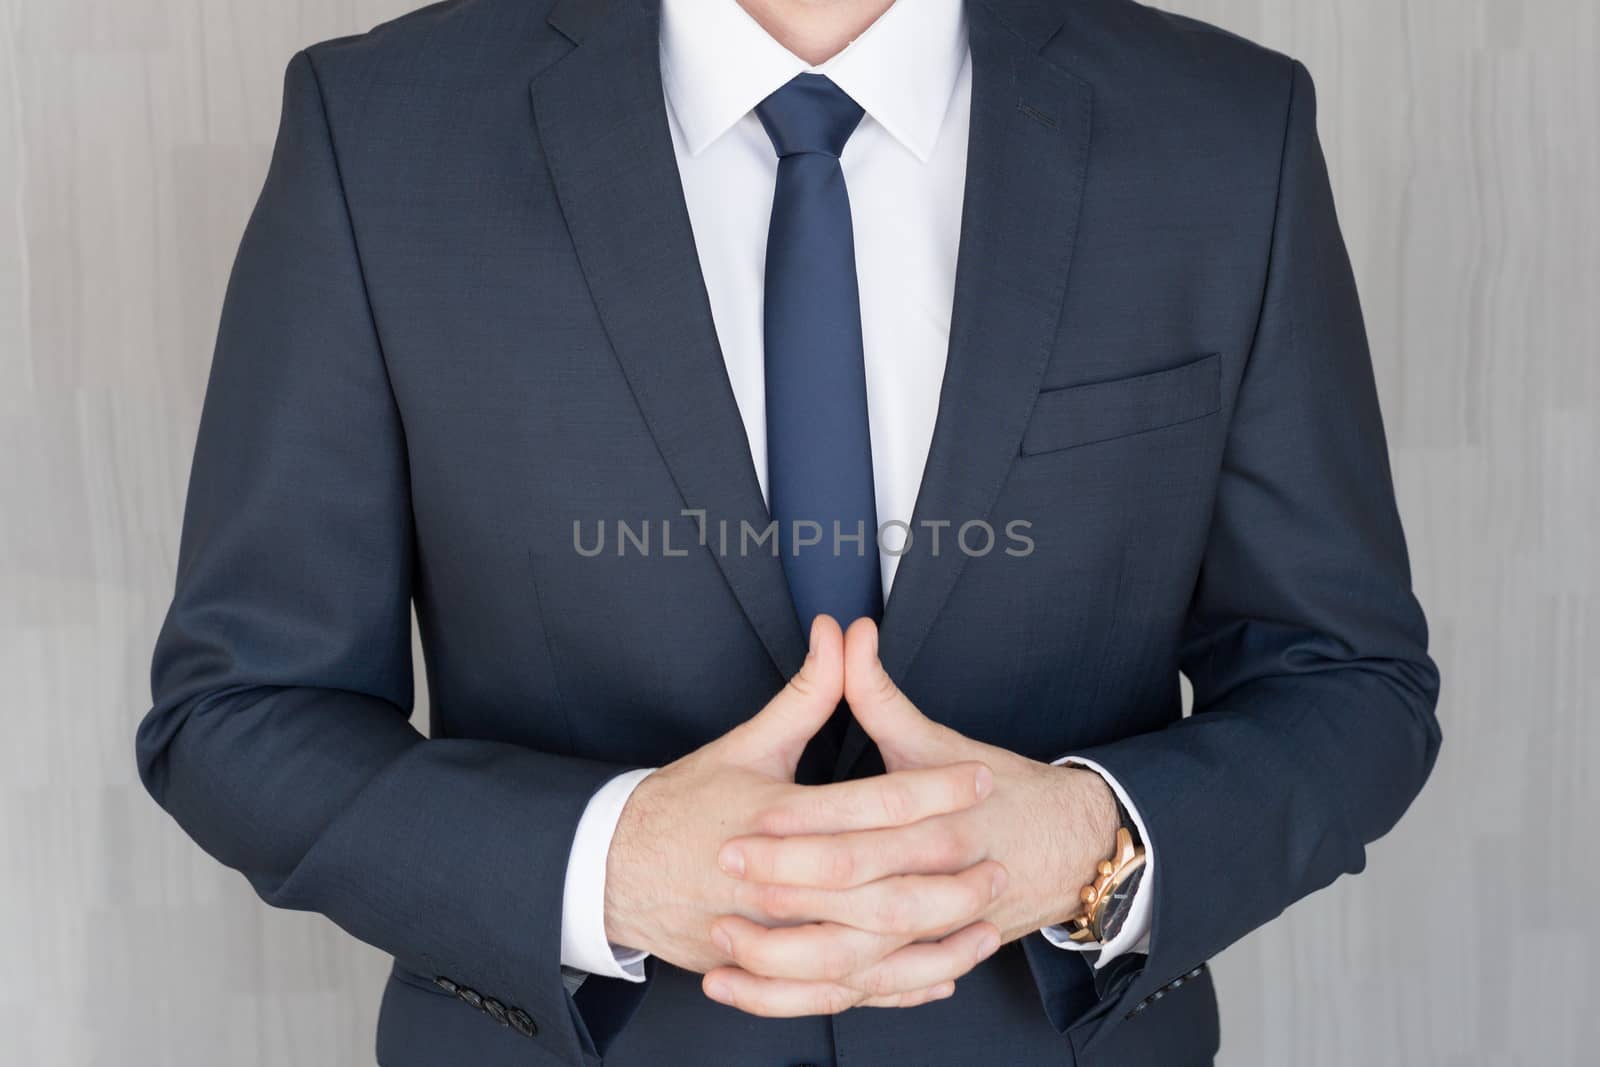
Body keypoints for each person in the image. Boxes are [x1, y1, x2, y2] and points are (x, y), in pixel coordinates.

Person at [135, 0, 1442, 1064]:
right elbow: (240, 712)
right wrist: (604, 868)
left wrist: (1090, 853)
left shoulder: (1222, 131)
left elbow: (1349, 682)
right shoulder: (378, 131)